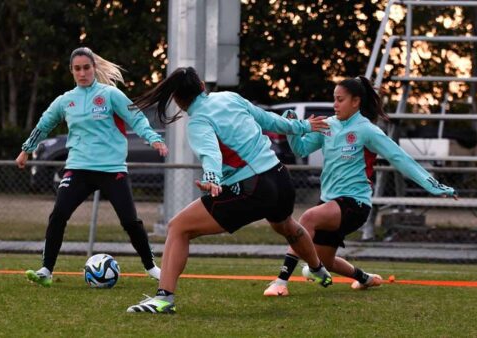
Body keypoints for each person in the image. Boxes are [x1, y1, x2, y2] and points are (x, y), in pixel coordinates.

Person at [125, 67, 332, 314]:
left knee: (178, 227)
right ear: (202, 85)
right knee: (286, 225)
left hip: (254, 187)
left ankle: (163, 299)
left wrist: (212, 179)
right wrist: (304, 126)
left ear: (178, 101)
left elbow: (210, 153)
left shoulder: (199, 120)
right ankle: (317, 268)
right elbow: (269, 120)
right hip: (281, 177)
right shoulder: (229, 97)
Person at [263, 76, 457, 296]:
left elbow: (400, 158)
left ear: (355, 102)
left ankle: (281, 281)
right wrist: (292, 128)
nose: (335, 104)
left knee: (307, 218)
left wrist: (434, 185)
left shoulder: (367, 130)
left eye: (340, 99)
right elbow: (301, 149)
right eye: (334, 99)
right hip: (329, 202)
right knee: (324, 261)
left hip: (355, 203)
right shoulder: (328, 126)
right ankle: (366, 279)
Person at [15, 47, 168, 287]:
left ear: (94, 68)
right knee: (58, 215)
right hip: (78, 168)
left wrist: (154, 139)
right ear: (72, 71)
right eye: (77, 69)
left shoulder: (110, 95)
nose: (82, 72)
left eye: (86, 67)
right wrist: (26, 149)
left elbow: (136, 118)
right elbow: (44, 123)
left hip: (111, 168)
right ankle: (46, 270)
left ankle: (151, 267)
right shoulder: (66, 101)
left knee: (130, 222)